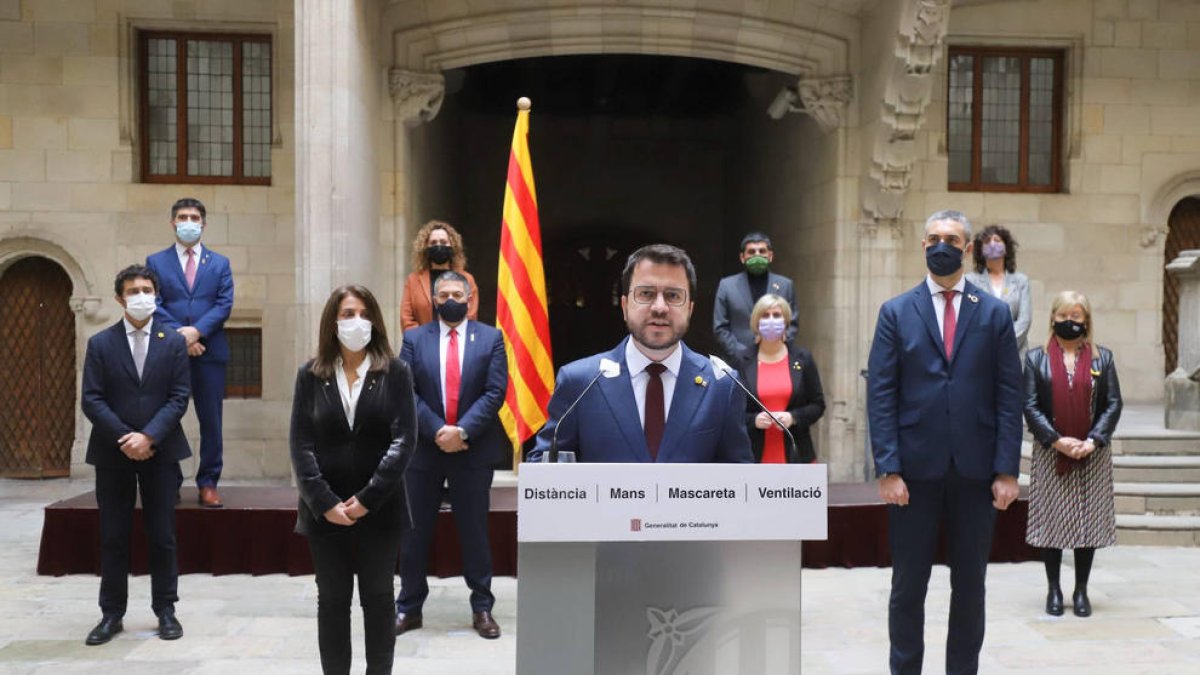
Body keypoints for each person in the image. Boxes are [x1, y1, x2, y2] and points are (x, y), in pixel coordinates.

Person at [867, 209, 1023, 675]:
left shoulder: (993, 313)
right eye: (933, 237)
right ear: (922, 245)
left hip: (975, 472)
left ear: (967, 247)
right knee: (908, 587)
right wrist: (888, 467)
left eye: (952, 239)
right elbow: (881, 392)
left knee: (970, 586)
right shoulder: (896, 311)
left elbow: (1008, 394)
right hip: (913, 473)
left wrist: (1007, 470)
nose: (942, 245)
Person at [289, 285, 417, 675]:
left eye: (362, 312)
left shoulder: (395, 372)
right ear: (333, 322)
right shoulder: (310, 375)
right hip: (324, 514)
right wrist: (324, 501)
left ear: (374, 320)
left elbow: (404, 440)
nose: (355, 321)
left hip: (379, 511)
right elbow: (301, 443)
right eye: (346, 313)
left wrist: (366, 499)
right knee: (332, 601)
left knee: (379, 600)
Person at [529, 244, 753, 463]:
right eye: (646, 293)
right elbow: (544, 471)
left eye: (673, 296)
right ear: (625, 306)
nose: (659, 307)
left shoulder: (722, 385)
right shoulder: (579, 382)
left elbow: (741, 483)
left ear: (690, 309)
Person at [81, 265, 191, 645]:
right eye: (133, 290)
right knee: (113, 535)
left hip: (161, 451)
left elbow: (179, 397)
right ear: (119, 298)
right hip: (113, 454)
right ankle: (112, 614)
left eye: (147, 289)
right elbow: (91, 399)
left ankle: (166, 610)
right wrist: (126, 437)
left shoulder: (173, 341)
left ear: (156, 294)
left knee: (162, 535)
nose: (141, 296)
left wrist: (149, 436)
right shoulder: (100, 344)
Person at [395, 271, 508, 640]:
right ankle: (409, 608)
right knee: (414, 533)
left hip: (472, 450)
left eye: (457, 293)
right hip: (424, 451)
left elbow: (495, 392)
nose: (450, 299)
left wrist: (462, 431)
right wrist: (437, 431)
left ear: (470, 297)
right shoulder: (414, 338)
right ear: (433, 299)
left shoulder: (491, 338)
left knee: (475, 531)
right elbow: (404, 390)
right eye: (443, 294)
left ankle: (482, 607)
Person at [1023, 291, 1122, 618]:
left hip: (1091, 455)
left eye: (1076, 317)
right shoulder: (1036, 359)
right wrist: (1056, 440)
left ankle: (1081, 590)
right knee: (1052, 524)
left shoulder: (1102, 359)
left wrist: (1093, 440)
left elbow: (1112, 404)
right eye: (1064, 316)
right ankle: (1054, 589)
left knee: (1086, 524)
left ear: (1086, 321)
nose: (1070, 322)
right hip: (1052, 453)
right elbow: (1030, 405)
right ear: (1052, 319)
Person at [146, 197, 234, 508]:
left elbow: (224, 304)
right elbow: (154, 304)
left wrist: (197, 332)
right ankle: (170, 480)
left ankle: (208, 482)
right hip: (170, 353)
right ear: (172, 222)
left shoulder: (220, 264)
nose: (188, 222)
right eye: (182, 216)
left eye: (194, 217)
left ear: (203, 224)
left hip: (210, 352)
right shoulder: (156, 262)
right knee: (167, 417)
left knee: (211, 421)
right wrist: (183, 338)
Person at [737, 294, 825, 464]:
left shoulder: (803, 358)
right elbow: (732, 411)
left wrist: (793, 417)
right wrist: (753, 420)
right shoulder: (742, 361)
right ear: (756, 322)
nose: (771, 320)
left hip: (797, 455)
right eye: (765, 315)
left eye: (776, 315)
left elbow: (818, 405)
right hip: (754, 457)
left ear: (786, 322)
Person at [713, 232, 798, 363]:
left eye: (762, 251)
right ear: (742, 257)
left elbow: (792, 324)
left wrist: (773, 349)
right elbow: (720, 327)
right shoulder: (727, 286)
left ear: (770, 256)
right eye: (752, 252)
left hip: (774, 359)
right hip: (738, 363)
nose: (757, 255)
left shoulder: (785, 285)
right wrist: (743, 353)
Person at [965, 225, 1033, 357]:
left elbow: (1024, 320)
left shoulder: (1021, 281)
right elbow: (969, 319)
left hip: (1015, 353)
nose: (992, 244)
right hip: (980, 354)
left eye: (997, 240)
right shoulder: (970, 281)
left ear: (1006, 247)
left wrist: (1004, 345)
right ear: (980, 249)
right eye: (987, 241)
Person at [400, 220, 480, 330]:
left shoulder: (467, 279)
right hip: (423, 344)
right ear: (425, 247)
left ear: (452, 246)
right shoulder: (413, 280)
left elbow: (470, 316)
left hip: (455, 343)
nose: (438, 246)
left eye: (443, 242)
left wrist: (449, 339)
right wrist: (424, 339)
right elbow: (406, 319)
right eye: (433, 243)